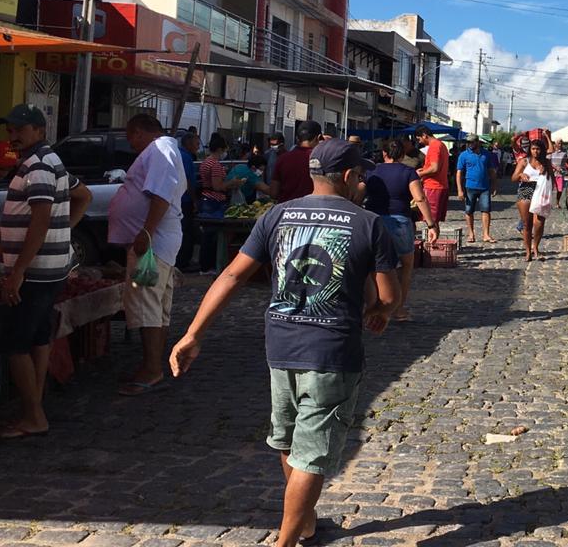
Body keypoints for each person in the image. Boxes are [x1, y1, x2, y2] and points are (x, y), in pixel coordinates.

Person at [170, 138, 400, 547]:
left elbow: (231, 276)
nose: (361, 181)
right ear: (348, 176)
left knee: (291, 440)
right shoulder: (367, 223)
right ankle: (287, 542)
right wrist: (378, 310)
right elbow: (388, 296)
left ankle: (305, 523)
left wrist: (192, 334)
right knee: (311, 454)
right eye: (359, 175)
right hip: (332, 351)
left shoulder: (276, 215)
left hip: (280, 345)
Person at [0, 104, 92, 438]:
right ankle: (35, 405)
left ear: (39, 130)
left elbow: (40, 219)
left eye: (19, 130)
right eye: (10, 130)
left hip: (35, 273)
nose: (13, 136)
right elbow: (83, 196)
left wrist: (18, 270)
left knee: (14, 344)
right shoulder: (51, 162)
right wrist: (63, 231)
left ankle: (33, 416)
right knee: (37, 337)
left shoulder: (39, 166)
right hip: (49, 268)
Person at [108, 114, 187, 396]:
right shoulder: (163, 149)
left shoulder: (159, 150)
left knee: (145, 301)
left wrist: (146, 233)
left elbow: (161, 194)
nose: (131, 143)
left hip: (155, 241)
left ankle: (152, 369)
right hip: (159, 239)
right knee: (157, 303)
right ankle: (154, 364)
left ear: (138, 132)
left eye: (131, 137)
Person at [366, 141, 438, 319]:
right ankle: (398, 309)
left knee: (374, 266)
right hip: (399, 221)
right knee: (405, 266)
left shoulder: (372, 172)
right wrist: (431, 224)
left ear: (384, 154)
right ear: (402, 155)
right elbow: (419, 198)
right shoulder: (408, 172)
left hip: (374, 222)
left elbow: (361, 193)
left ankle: (375, 307)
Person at [198, 134, 246, 275]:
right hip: (214, 201)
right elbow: (218, 186)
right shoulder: (216, 165)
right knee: (213, 236)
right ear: (220, 149)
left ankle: (204, 266)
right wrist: (233, 183)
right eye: (225, 149)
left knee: (207, 235)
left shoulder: (206, 162)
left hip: (205, 199)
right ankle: (208, 266)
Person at [513, 138, 554, 261]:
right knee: (527, 224)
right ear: (530, 149)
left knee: (540, 222)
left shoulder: (546, 162)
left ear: (542, 150)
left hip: (541, 190)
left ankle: (535, 247)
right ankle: (527, 252)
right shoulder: (524, 161)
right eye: (533, 148)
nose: (535, 151)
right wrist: (521, 175)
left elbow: (551, 178)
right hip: (526, 189)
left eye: (538, 149)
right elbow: (513, 177)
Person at [456, 137, 497, 243]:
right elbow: (459, 173)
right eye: (468, 142)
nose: (469, 144)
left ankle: (486, 234)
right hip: (470, 187)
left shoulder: (486, 154)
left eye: (471, 142)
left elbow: (492, 171)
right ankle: (471, 234)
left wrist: (494, 186)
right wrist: (459, 190)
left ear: (477, 142)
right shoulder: (463, 155)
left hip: (485, 187)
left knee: (486, 210)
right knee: (469, 211)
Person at [270, 120, 322, 203]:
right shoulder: (322, 159)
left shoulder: (283, 158)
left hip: (286, 211)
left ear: (297, 138)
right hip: (312, 211)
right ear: (318, 138)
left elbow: (273, 193)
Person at [175, 132, 202, 273]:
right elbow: (189, 182)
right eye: (197, 144)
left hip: (174, 199)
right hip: (184, 200)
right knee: (186, 232)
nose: (198, 147)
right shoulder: (186, 158)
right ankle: (183, 262)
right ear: (189, 143)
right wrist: (194, 200)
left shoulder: (177, 154)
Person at [415, 126, 450, 227]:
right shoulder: (441, 145)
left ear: (424, 135)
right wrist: (424, 170)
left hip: (433, 186)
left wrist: (420, 174)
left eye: (419, 139)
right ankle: (433, 241)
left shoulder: (434, 146)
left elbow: (435, 168)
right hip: (441, 185)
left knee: (431, 221)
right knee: (434, 221)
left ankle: (432, 242)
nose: (420, 142)